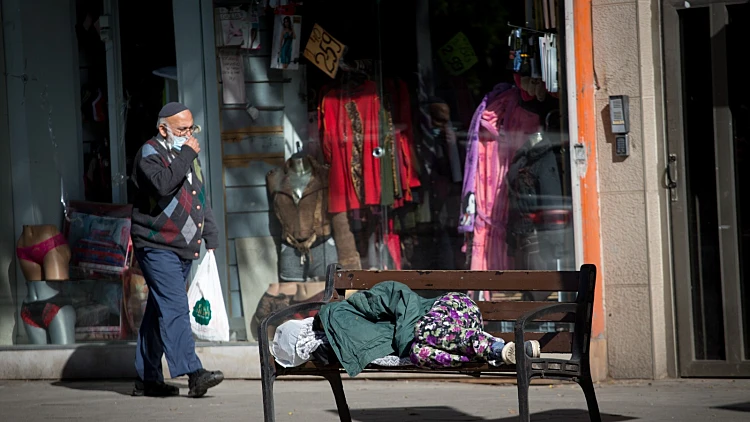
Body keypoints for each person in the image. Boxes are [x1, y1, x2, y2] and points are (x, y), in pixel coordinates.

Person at [130, 102, 224, 398]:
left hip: (183, 245)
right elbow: (162, 186)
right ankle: (194, 373)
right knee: (175, 307)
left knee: (159, 311)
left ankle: (148, 378)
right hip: (156, 245)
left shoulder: (187, 156)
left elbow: (199, 195)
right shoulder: (149, 154)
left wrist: (211, 235)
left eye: (191, 128)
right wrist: (187, 154)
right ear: (163, 129)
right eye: (182, 129)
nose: (189, 134)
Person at [272, 281, 541, 376]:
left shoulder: (341, 311)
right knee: (419, 353)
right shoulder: (337, 347)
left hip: (452, 308)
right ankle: (500, 353)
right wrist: (406, 343)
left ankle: (495, 346)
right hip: (444, 337)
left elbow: (398, 294)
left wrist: (405, 334)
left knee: (421, 331)